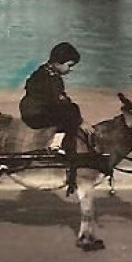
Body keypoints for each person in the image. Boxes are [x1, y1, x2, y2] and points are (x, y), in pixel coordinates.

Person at [21, 41, 85, 193]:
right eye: (69, 65)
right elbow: (59, 101)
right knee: (70, 116)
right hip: (36, 113)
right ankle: (56, 145)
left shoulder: (44, 71)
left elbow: (58, 98)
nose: (69, 70)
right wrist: (80, 120)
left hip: (31, 108)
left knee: (71, 110)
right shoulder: (52, 77)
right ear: (58, 62)